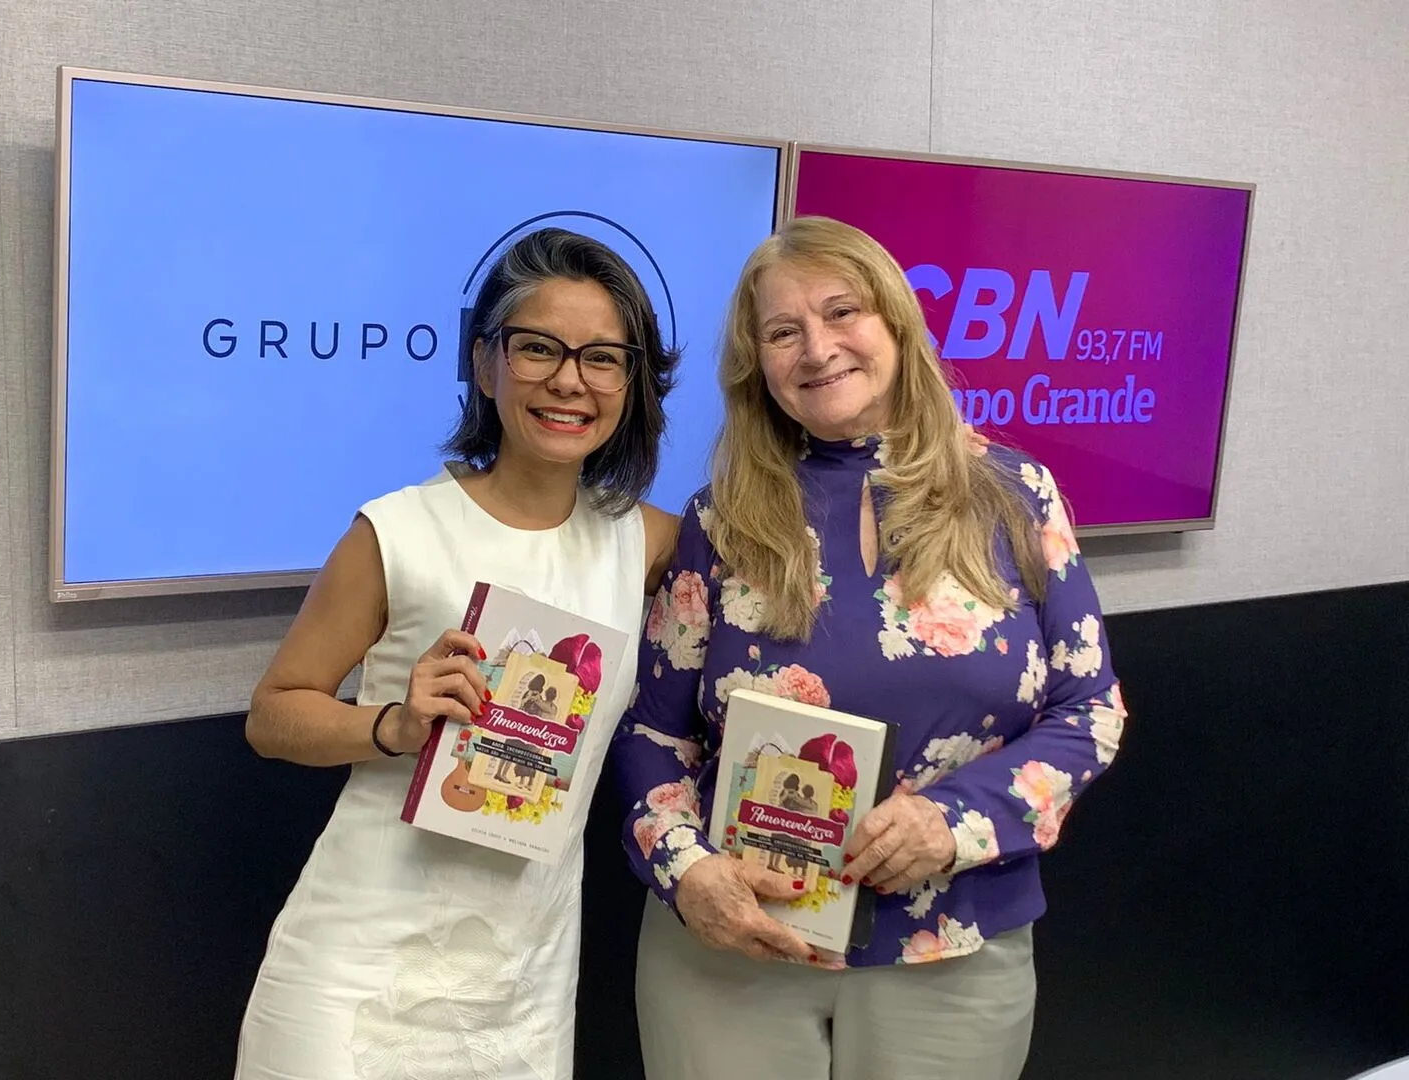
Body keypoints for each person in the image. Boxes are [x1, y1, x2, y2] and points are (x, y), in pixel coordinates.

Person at [611, 216, 1129, 1080]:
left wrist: (954, 820)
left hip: (952, 951)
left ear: (894, 322)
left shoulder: (1015, 495)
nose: (817, 348)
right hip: (734, 950)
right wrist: (684, 870)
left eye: (841, 312)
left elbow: (1092, 713)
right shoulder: (721, 521)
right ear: (757, 368)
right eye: (783, 332)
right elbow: (653, 738)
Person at [235, 227, 680, 1080]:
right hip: (359, 965)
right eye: (538, 349)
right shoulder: (398, 531)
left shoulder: (647, 545)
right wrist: (395, 724)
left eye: (602, 358)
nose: (568, 380)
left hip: (521, 979)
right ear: (484, 364)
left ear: (632, 382)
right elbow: (274, 714)